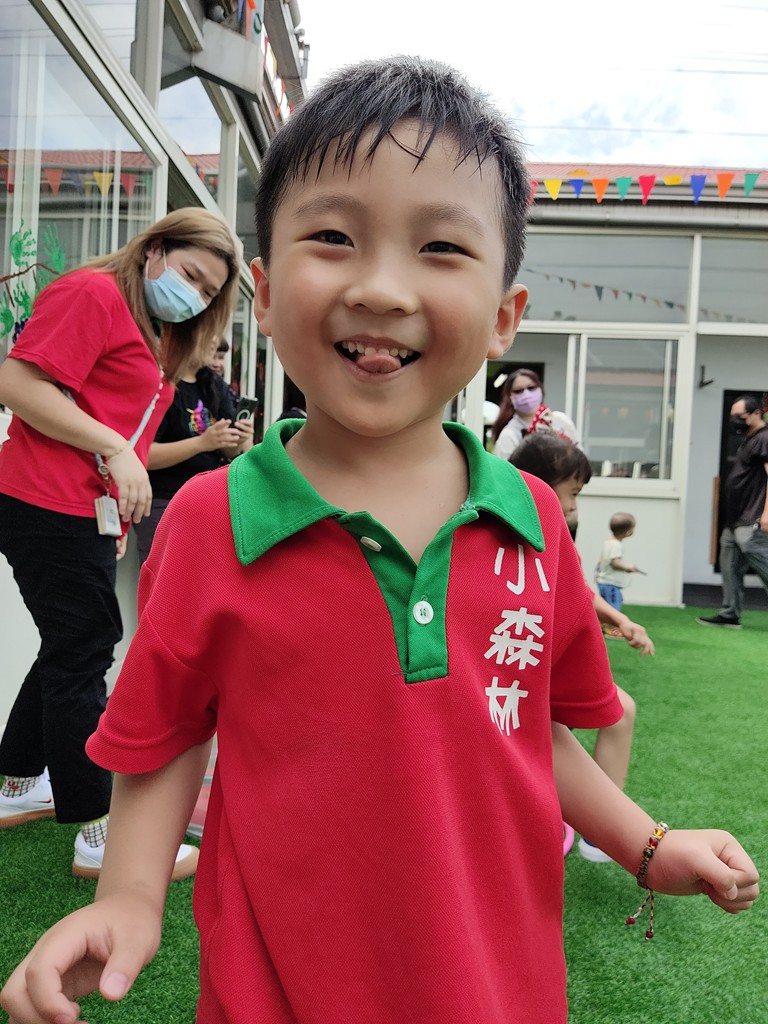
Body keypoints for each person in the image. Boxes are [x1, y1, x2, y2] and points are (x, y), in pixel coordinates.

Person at [0, 57, 758, 1024]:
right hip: (276, 995)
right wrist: (131, 897)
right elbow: (165, 732)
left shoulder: (532, 520)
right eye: (333, 237)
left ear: (504, 318)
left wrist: (648, 845)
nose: (383, 288)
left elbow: (534, 731)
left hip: (499, 989)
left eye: (441, 247)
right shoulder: (213, 519)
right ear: (263, 292)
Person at [0, 208, 240, 881]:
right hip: (42, 498)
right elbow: (16, 382)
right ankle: (99, 828)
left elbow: (131, 443)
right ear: (154, 249)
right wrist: (112, 449)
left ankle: (18, 782)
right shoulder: (93, 293)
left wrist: (119, 503)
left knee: (71, 643)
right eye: (190, 274)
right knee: (83, 650)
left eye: (208, 292)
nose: (195, 296)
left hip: (87, 509)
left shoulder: (153, 331)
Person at [510, 433, 652, 863]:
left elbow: (577, 590)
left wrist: (621, 620)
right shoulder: (505, 523)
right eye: (571, 493)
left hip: (537, 661)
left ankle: (596, 828)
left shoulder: (552, 529)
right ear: (536, 482)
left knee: (612, 714)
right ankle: (595, 829)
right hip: (514, 666)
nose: (574, 505)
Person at [133, 335, 254, 564]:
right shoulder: (162, 384)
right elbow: (142, 455)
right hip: (164, 500)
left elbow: (228, 451)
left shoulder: (215, 385)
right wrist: (202, 443)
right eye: (210, 331)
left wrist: (238, 439)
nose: (215, 340)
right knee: (164, 578)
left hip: (209, 500)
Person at [697, 395, 768, 629]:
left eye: (739, 416)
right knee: (729, 564)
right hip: (735, 517)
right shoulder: (749, 438)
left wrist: (766, 514)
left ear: (756, 413)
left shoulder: (765, 438)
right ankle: (730, 614)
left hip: (752, 516)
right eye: (732, 416)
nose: (735, 420)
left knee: (762, 561)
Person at [492, 367, 579, 461]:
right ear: (510, 397)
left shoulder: (561, 421)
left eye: (531, 388)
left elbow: (579, 458)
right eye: (518, 391)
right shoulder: (509, 435)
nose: (526, 394)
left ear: (540, 388)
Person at [595, 512, 641, 617]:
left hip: (603, 582)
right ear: (628, 532)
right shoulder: (616, 545)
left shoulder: (607, 542)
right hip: (610, 584)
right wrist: (629, 567)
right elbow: (615, 563)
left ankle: (602, 625)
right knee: (613, 609)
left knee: (606, 608)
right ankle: (611, 626)